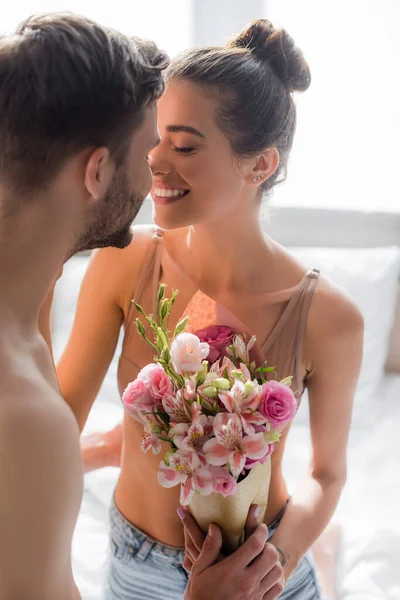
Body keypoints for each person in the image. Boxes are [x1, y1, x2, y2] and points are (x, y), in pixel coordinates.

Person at [56, 17, 363, 600]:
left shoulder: (330, 316)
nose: (155, 162)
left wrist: (273, 561)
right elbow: (57, 415)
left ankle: (325, 553)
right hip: (137, 566)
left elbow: (327, 475)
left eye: (186, 145)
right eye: (154, 139)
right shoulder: (127, 259)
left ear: (260, 166)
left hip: (265, 572)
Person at [0, 13, 281, 600]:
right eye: (150, 143)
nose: (156, 165)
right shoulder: (24, 419)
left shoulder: (24, 322)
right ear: (97, 171)